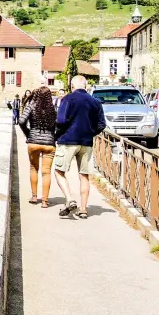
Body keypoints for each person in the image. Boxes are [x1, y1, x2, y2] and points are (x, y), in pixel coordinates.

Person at [53, 75, 106, 219]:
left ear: (72, 86)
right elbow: (102, 124)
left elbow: (61, 120)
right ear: (86, 86)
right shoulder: (95, 102)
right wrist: (90, 132)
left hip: (68, 140)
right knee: (84, 175)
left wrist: (57, 136)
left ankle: (69, 199)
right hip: (86, 142)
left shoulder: (67, 99)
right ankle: (83, 209)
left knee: (59, 171)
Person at [19, 84, 57, 207]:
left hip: (33, 142)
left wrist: (28, 134)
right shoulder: (54, 109)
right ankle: (45, 201)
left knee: (33, 168)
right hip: (49, 144)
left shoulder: (31, 106)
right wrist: (54, 136)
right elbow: (60, 125)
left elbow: (21, 121)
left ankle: (34, 196)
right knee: (46, 172)